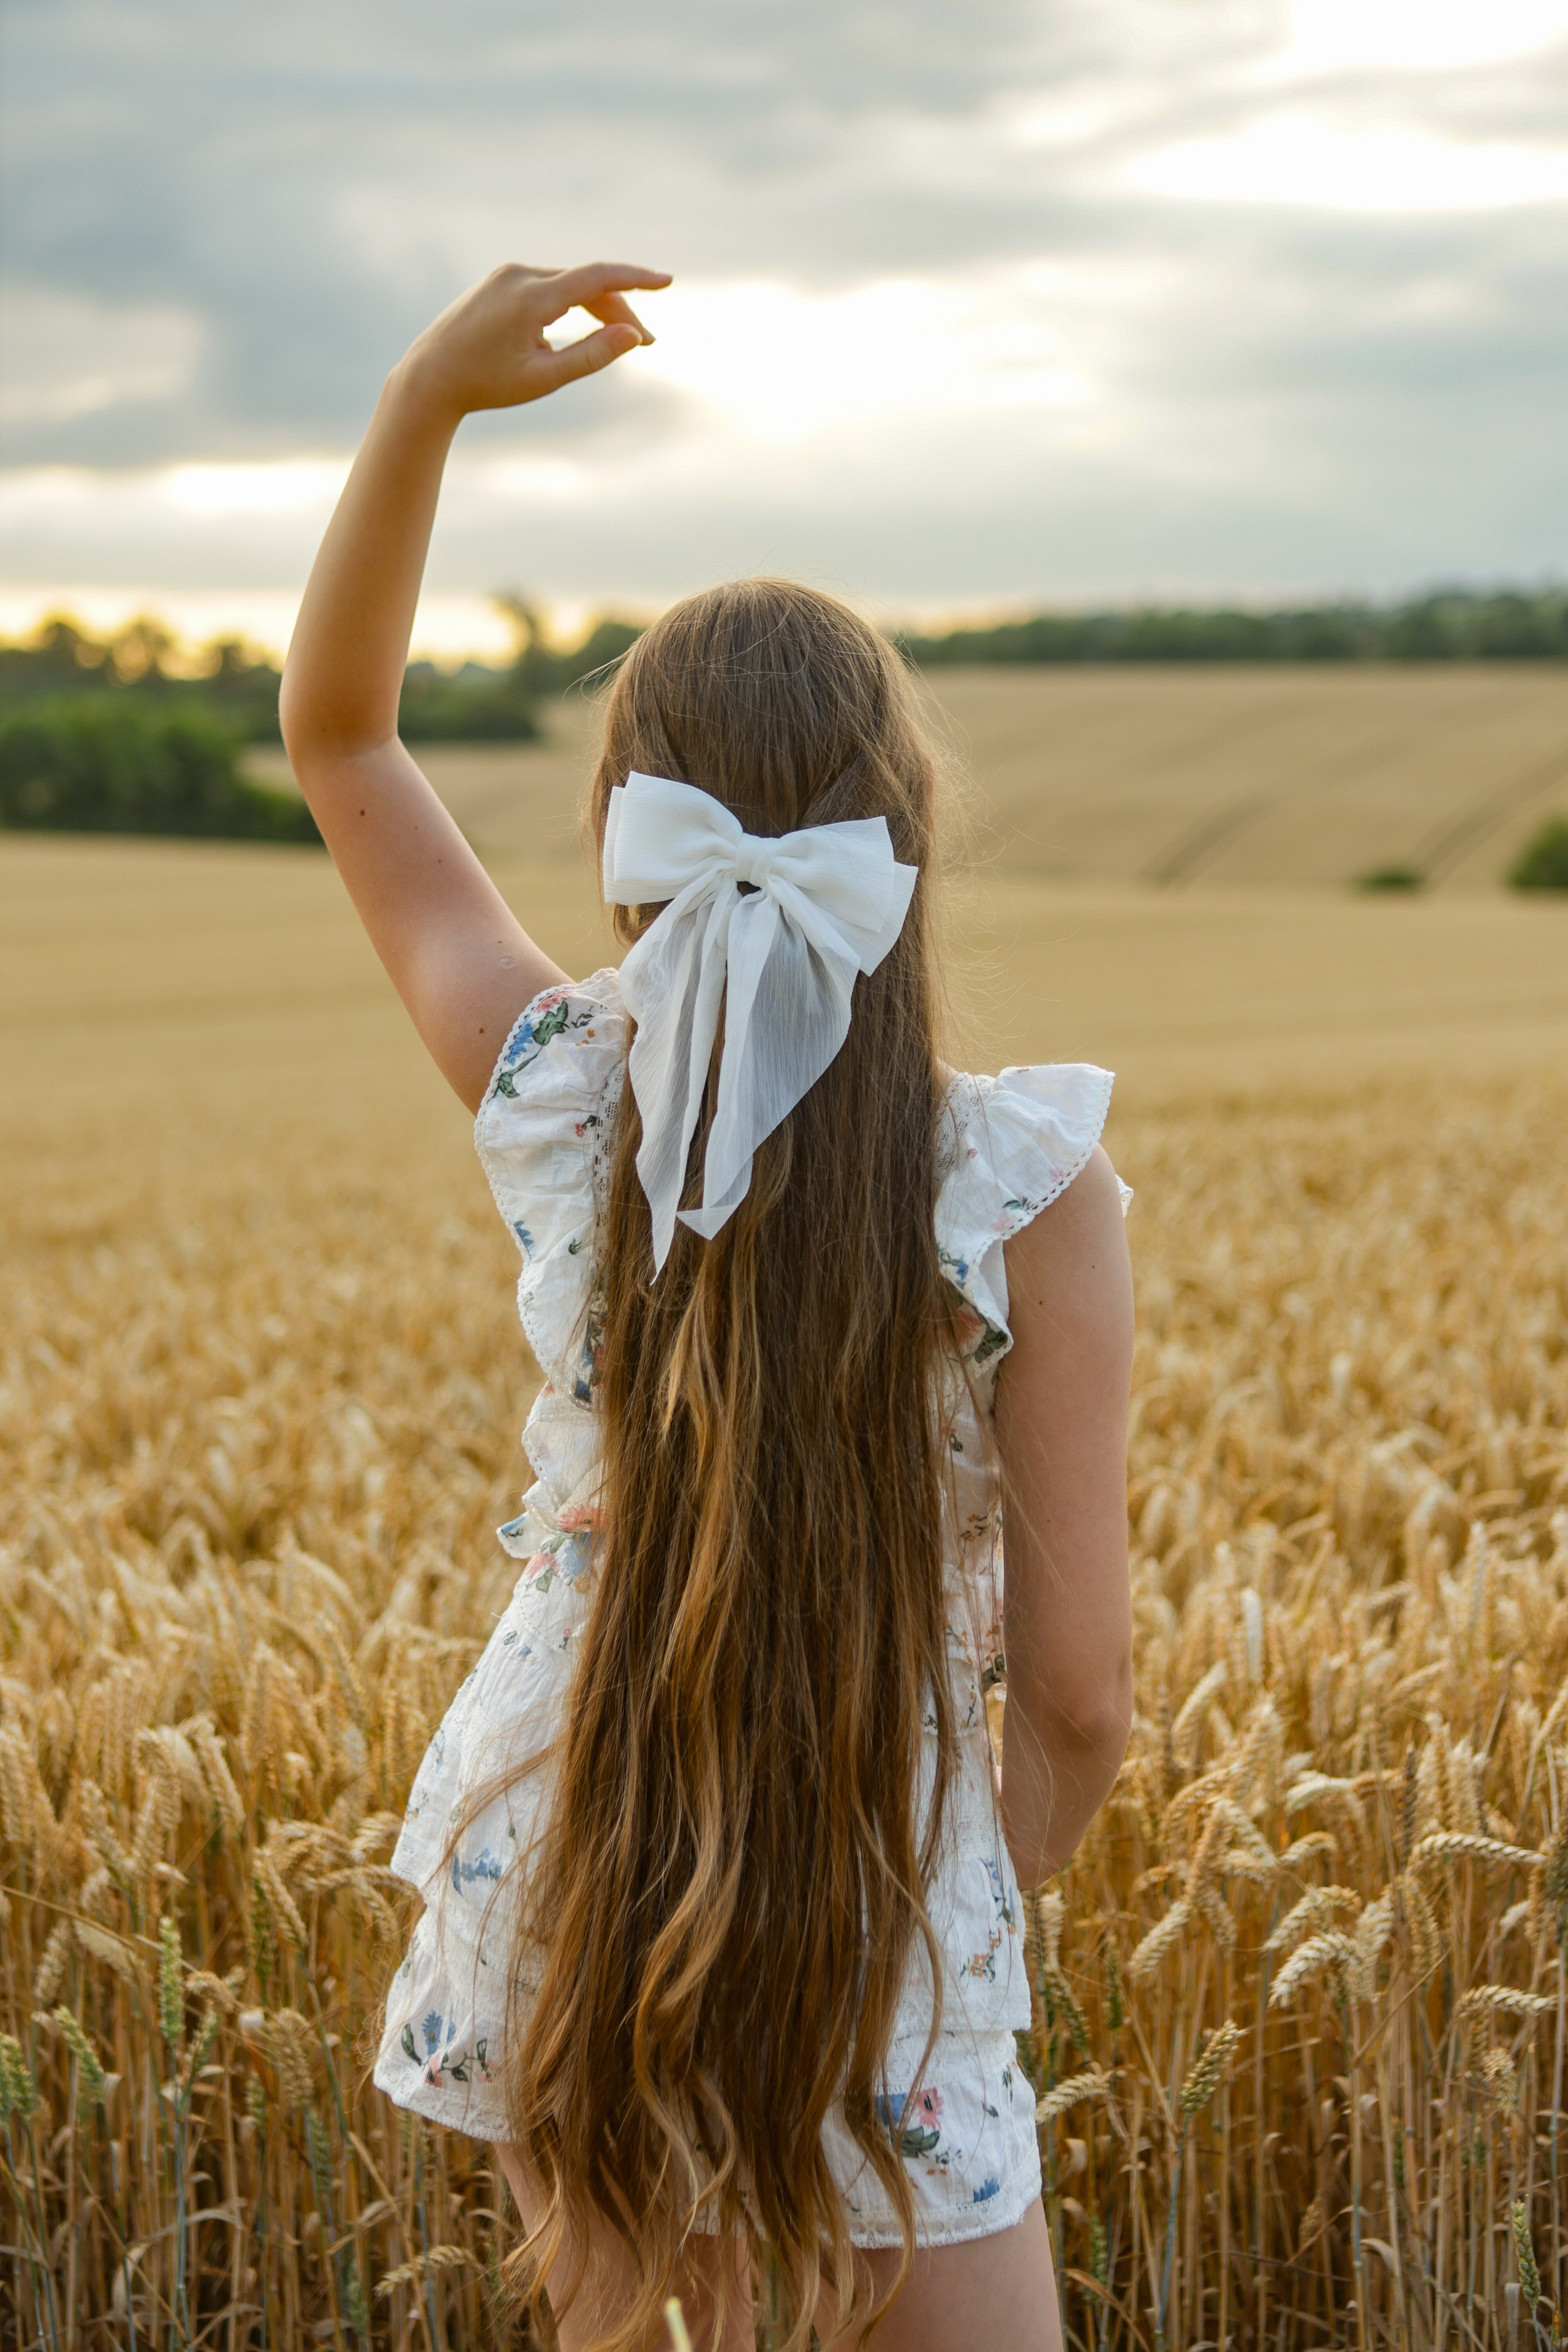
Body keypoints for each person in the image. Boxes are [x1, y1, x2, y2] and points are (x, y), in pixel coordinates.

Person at [280, 262, 1135, 2352]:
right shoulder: (1034, 1193)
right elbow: (1083, 1696)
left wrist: (423, 402)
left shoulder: (558, 1091)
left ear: (623, 846)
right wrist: (948, 1913)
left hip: (573, 1875)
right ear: (902, 848)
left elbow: (341, 732)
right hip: (887, 1895)